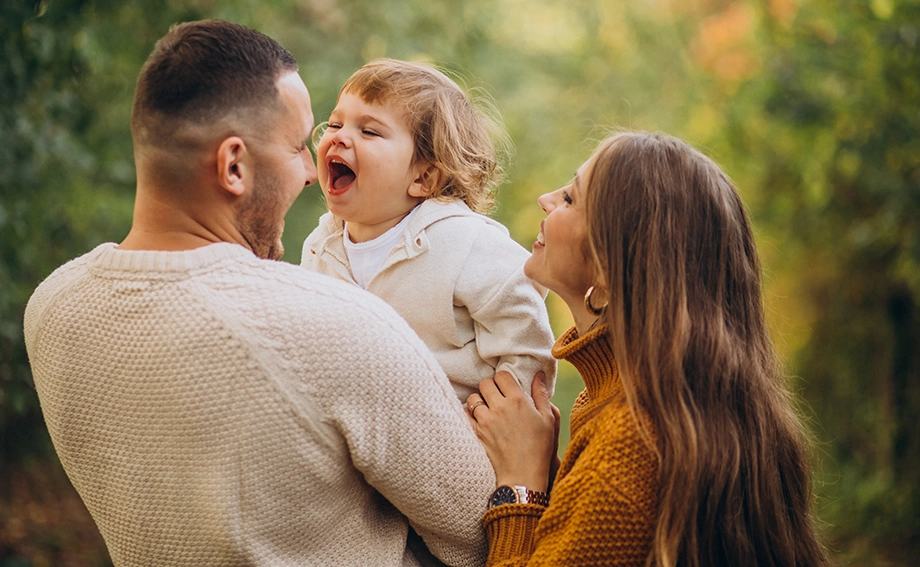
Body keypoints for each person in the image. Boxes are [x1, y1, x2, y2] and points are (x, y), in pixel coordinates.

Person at [23, 20, 495, 567]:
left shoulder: (51, 305)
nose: (310, 173)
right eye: (299, 146)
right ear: (233, 166)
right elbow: (481, 538)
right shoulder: (337, 329)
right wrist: (528, 478)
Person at [466, 131, 829, 566]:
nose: (546, 199)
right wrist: (547, 473)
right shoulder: (665, 402)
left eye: (569, 199)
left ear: (608, 266)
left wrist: (519, 487)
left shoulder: (627, 448)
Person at [302, 59, 556, 402]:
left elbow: (524, 333)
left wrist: (501, 419)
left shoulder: (464, 242)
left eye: (369, 131)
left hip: (451, 435)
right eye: (334, 123)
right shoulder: (321, 246)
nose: (339, 137)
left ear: (423, 177)